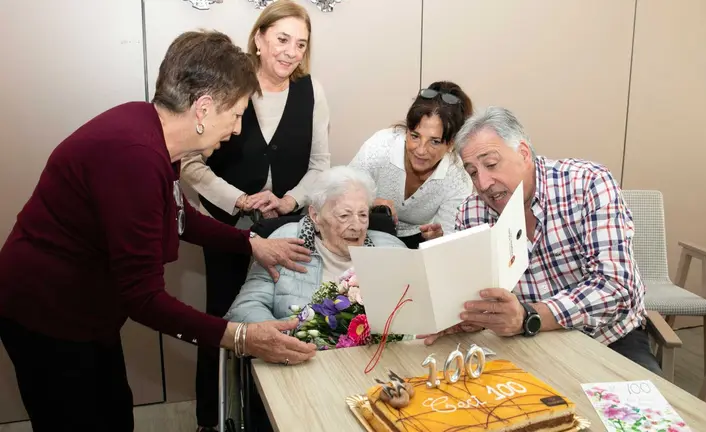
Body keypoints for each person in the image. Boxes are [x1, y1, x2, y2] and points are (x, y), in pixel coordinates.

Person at [0, 31, 317, 432]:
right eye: (235, 114)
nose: (237, 129)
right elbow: (143, 298)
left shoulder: (151, 133)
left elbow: (176, 215)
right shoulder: (134, 157)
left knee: (114, 412)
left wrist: (250, 242)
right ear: (203, 108)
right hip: (48, 312)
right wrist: (240, 337)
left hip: (89, 308)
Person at [419, 106, 662, 375]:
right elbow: (485, 297)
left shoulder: (587, 184)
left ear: (523, 153)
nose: (484, 183)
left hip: (609, 339)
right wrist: (467, 316)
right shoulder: (472, 212)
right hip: (526, 344)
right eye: (473, 172)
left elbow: (615, 287)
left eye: (490, 164)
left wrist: (528, 316)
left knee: (643, 415)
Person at [178, 2, 330, 430]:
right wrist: (241, 200)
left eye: (300, 44)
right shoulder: (230, 83)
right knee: (221, 322)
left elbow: (320, 164)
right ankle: (211, 418)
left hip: (285, 228)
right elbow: (191, 163)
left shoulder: (312, 90)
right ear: (259, 38)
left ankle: (275, 417)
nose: (291, 52)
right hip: (227, 226)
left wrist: (290, 201)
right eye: (282, 40)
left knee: (280, 318)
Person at [224, 166, 405, 431]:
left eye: (363, 214)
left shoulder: (390, 250)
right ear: (316, 216)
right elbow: (243, 308)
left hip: (375, 371)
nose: (356, 225)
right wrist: (283, 340)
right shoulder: (284, 244)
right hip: (300, 368)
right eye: (344, 215)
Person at [349, 81, 474, 249]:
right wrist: (369, 202)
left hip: (420, 241)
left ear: (451, 144)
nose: (421, 150)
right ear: (407, 129)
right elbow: (339, 195)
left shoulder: (458, 177)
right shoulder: (380, 147)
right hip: (366, 229)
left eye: (435, 142)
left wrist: (439, 237)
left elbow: (449, 243)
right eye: (415, 136)